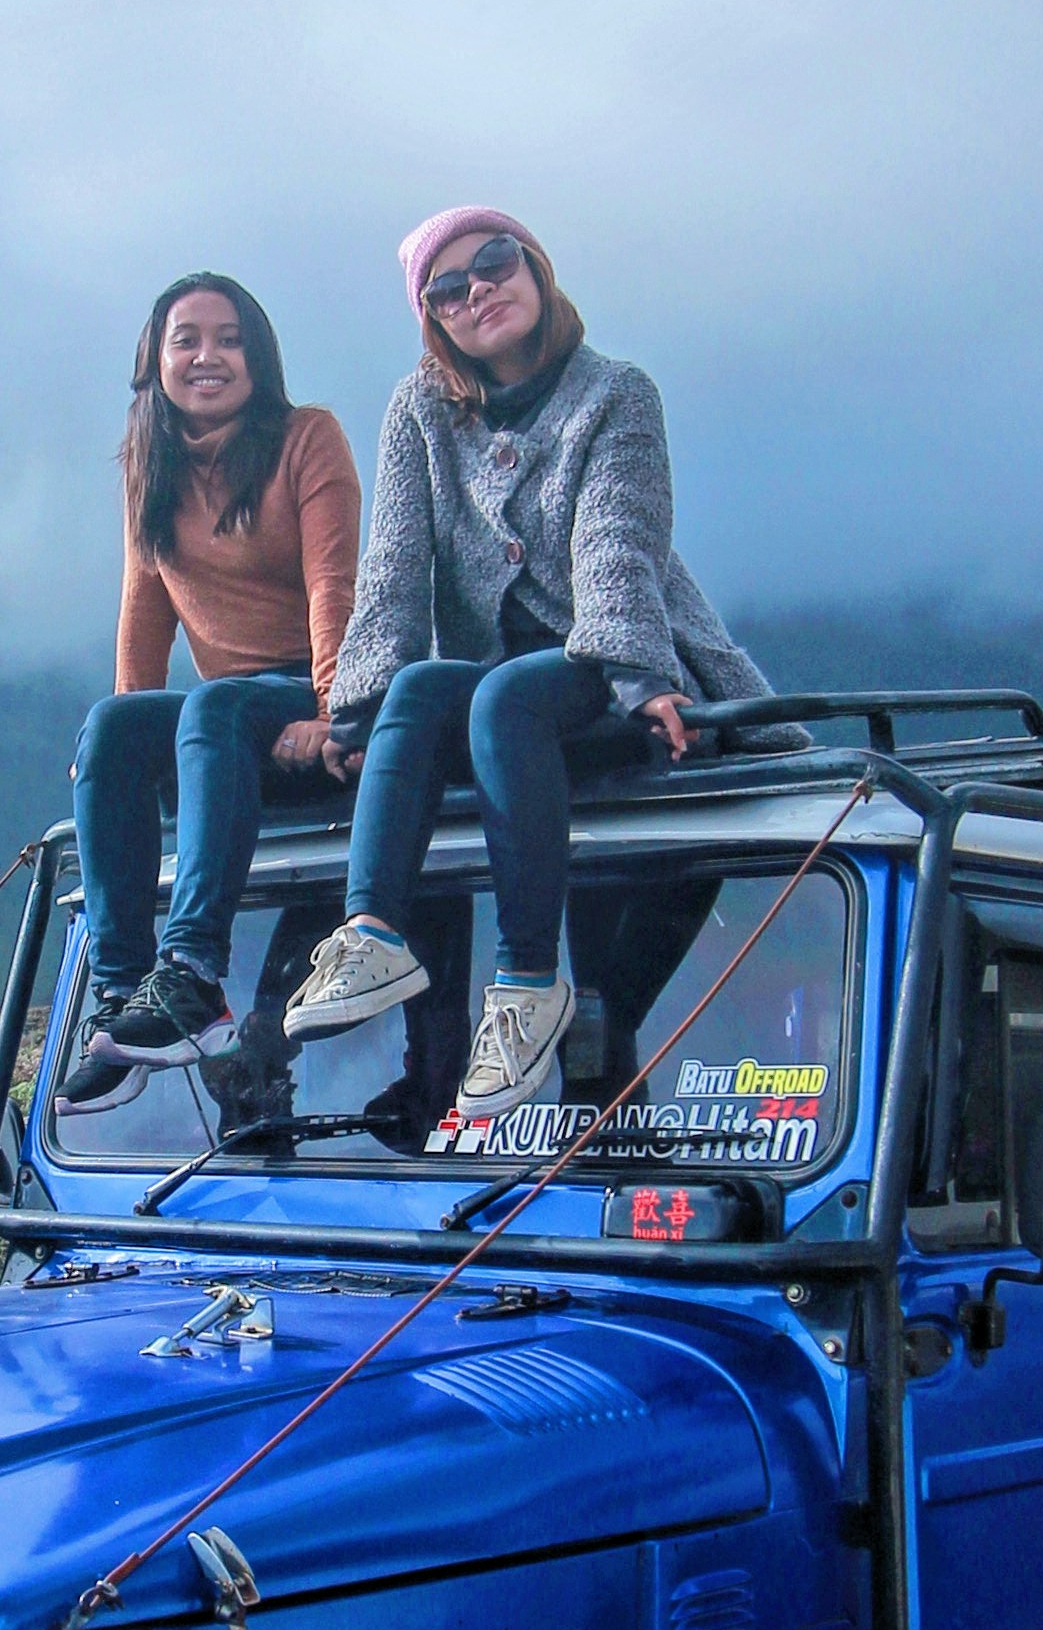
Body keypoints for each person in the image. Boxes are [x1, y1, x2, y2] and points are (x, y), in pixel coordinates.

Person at [285, 211, 768, 1126]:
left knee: (503, 694)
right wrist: (355, 713)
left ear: (536, 269)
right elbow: (391, 569)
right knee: (427, 688)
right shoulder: (420, 410)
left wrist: (636, 673)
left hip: (618, 663)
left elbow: (617, 545)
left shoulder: (616, 393)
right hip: (502, 689)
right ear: (435, 319)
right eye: (449, 288)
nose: (479, 291)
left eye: (494, 263)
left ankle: (527, 982)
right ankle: (372, 933)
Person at [64, 272, 362, 1099]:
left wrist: (339, 711)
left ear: (258, 356)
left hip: (309, 684)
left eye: (230, 339)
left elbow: (333, 585)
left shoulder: (308, 437)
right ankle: (124, 998)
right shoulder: (147, 466)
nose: (209, 356)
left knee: (213, 706)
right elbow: (143, 607)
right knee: (112, 730)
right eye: (187, 339)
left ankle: (193, 971)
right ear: (154, 360)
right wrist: (119, 743)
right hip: (220, 716)